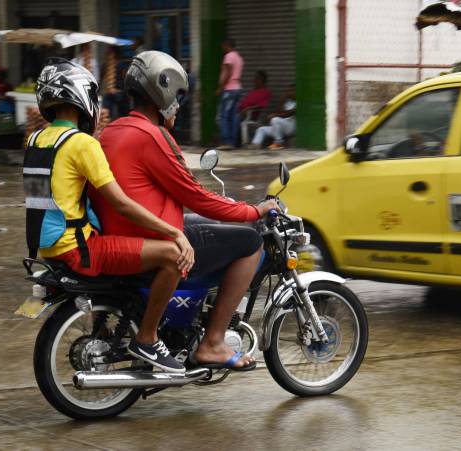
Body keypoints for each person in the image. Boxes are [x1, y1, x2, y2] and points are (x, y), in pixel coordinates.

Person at [91, 51, 279, 370]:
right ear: (161, 92)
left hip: (128, 230)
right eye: (177, 96)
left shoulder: (112, 131)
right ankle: (214, 342)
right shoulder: (153, 136)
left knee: (208, 225)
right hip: (151, 238)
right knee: (250, 242)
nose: (178, 104)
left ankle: (188, 320)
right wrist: (253, 211)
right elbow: (196, 195)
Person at [23, 58, 194, 373]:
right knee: (173, 256)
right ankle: (148, 338)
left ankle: (105, 328)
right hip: (78, 249)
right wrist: (174, 233)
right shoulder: (81, 144)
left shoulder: (37, 141)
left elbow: (52, 198)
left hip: (48, 250)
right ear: (81, 97)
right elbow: (121, 203)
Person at [216, 38, 244, 149]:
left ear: (227, 45)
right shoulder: (239, 57)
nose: (222, 47)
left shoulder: (229, 56)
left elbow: (227, 73)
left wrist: (220, 88)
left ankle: (226, 142)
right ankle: (233, 142)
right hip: (237, 89)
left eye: (223, 45)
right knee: (233, 117)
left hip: (229, 90)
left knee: (224, 116)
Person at [251, 84, 296, 150]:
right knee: (261, 129)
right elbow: (279, 112)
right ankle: (255, 145)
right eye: (288, 91)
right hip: (282, 128)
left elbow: (289, 113)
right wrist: (282, 100)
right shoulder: (288, 101)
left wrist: (275, 115)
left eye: (291, 91)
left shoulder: (300, 102)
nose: (289, 93)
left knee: (275, 119)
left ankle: (279, 143)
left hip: (292, 127)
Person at [238, 70, 272, 144]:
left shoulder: (265, 92)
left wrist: (248, 108)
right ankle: (232, 141)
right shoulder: (253, 91)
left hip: (250, 115)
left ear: (262, 80)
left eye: (256, 78)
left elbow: (262, 105)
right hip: (241, 112)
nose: (254, 80)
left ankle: (233, 142)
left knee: (235, 119)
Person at [101, 46, 130, 119]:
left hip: (120, 94)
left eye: (109, 52)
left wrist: (118, 90)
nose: (106, 54)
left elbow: (125, 80)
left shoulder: (122, 65)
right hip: (110, 94)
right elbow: (103, 79)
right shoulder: (106, 65)